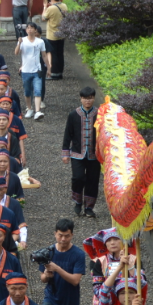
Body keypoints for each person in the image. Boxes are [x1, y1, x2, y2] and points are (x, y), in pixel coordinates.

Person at [62, 87, 101, 217]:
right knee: (77, 177)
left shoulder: (100, 114)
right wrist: (65, 153)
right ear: (81, 99)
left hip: (95, 155)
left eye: (90, 98)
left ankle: (89, 207)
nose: (87, 101)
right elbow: (68, 134)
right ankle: (78, 201)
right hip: (77, 153)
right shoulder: (73, 114)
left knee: (93, 180)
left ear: (94, 98)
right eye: (85, 98)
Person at [13, 22, 48, 121]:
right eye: (28, 28)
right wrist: (19, 43)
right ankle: (29, 108)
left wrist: (48, 67)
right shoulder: (22, 40)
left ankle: (37, 111)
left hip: (37, 70)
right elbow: (16, 53)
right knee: (27, 91)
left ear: (35, 30)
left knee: (37, 90)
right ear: (26, 30)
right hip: (25, 70)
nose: (29, 30)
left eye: (32, 28)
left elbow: (44, 55)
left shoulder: (40, 41)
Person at [41, 0, 68, 80]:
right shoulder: (64, 6)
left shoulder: (50, 8)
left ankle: (54, 73)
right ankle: (60, 72)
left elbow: (43, 18)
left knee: (53, 54)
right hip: (61, 33)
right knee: (60, 53)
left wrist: (45, 7)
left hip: (52, 34)